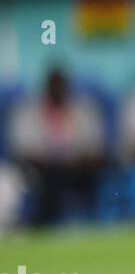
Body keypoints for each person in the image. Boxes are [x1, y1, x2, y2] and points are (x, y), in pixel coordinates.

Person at [7, 68, 106, 226]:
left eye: (61, 86)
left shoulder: (82, 110)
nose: (58, 91)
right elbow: (23, 150)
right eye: (54, 86)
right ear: (46, 88)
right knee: (46, 182)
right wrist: (53, 162)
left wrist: (75, 161)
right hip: (44, 171)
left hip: (76, 169)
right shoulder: (29, 111)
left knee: (97, 175)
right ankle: (44, 224)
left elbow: (95, 147)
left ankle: (95, 224)